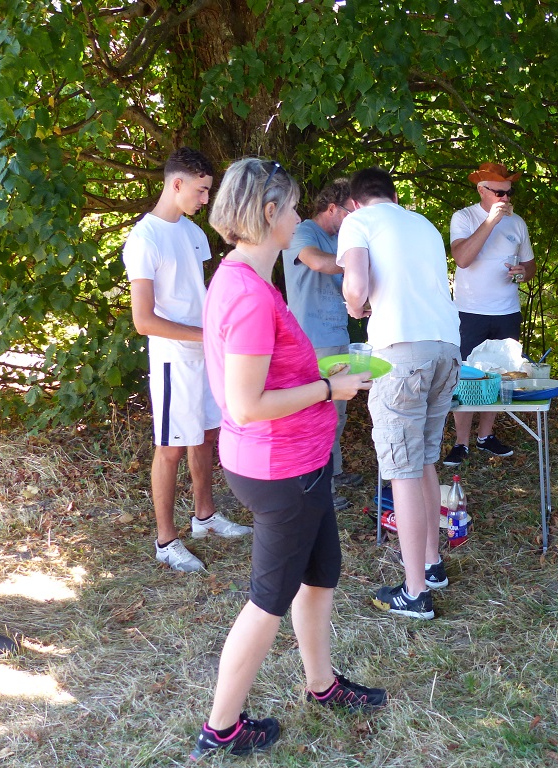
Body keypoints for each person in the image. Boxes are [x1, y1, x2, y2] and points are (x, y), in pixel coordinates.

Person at [190, 159, 383, 759]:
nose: (300, 217)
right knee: (268, 599)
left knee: (321, 573)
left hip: (300, 461)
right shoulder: (249, 293)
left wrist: (321, 372)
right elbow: (246, 405)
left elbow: (267, 373)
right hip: (279, 469)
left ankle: (322, 685)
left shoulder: (242, 276)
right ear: (270, 212)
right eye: (294, 207)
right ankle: (221, 728)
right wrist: (329, 389)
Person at [337, 167, 461, 621]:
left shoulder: (358, 222)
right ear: (393, 196)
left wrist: (355, 306)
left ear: (354, 202)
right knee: (424, 459)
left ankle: (415, 594)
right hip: (447, 348)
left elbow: (355, 286)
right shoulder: (422, 223)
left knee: (402, 470)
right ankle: (432, 565)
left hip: (402, 352)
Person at [123, 147, 251, 574]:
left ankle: (205, 518)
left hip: (204, 355)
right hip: (172, 361)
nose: (205, 199)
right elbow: (143, 320)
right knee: (171, 448)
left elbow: (200, 293)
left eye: (208, 191)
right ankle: (166, 541)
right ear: (176, 183)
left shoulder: (193, 232)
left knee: (206, 435)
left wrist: (221, 324)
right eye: (201, 190)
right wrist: (206, 336)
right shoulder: (144, 239)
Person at [442, 162, 536, 467]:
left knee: (500, 373)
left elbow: (530, 266)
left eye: (509, 193)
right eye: (499, 193)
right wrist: (491, 221)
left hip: (507, 310)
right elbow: (462, 258)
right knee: (466, 375)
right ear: (481, 190)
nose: (506, 199)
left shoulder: (517, 223)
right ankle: (461, 442)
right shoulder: (464, 217)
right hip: (470, 311)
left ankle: (486, 436)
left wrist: (523, 273)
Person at [282, 179, 362, 511]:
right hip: (311, 341)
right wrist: (359, 262)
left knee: (336, 412)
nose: (354, 220)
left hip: (337, 335)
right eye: (350, 213)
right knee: (316, 414)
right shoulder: (303, 233)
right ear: (332, 208)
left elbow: (344, 285)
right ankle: (318, 486)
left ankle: (334, 471)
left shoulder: (339, 238)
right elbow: (317, 262)